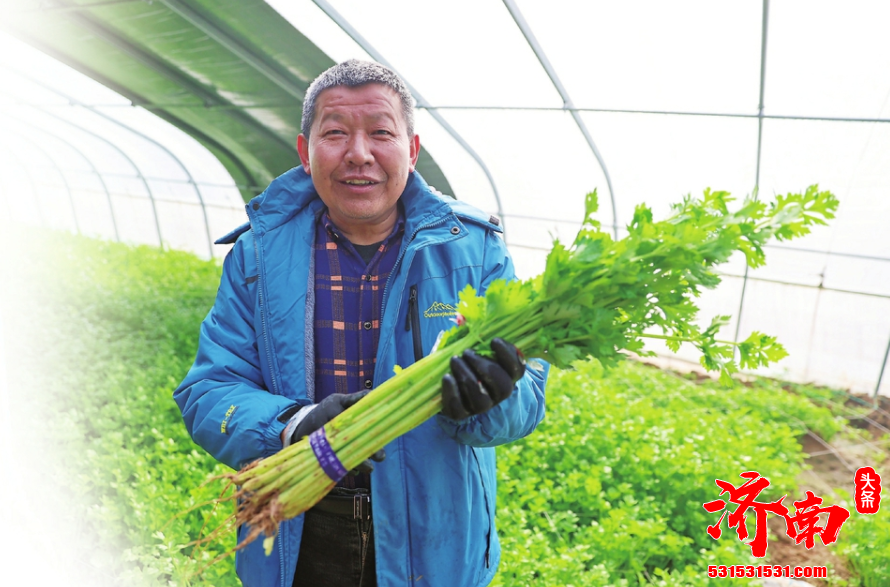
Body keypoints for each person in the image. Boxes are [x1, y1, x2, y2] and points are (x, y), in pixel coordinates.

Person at [174, 59, 548, 587]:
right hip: (298, 529)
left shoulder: (473, 250)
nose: (359, 154)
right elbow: (209, 389)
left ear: (411, 151)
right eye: (335, 133)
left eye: (380, 133)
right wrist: (294, 426)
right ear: (305, 153)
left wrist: (494, 399)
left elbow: (529, 396)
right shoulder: (258, 255)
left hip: (434, 539)